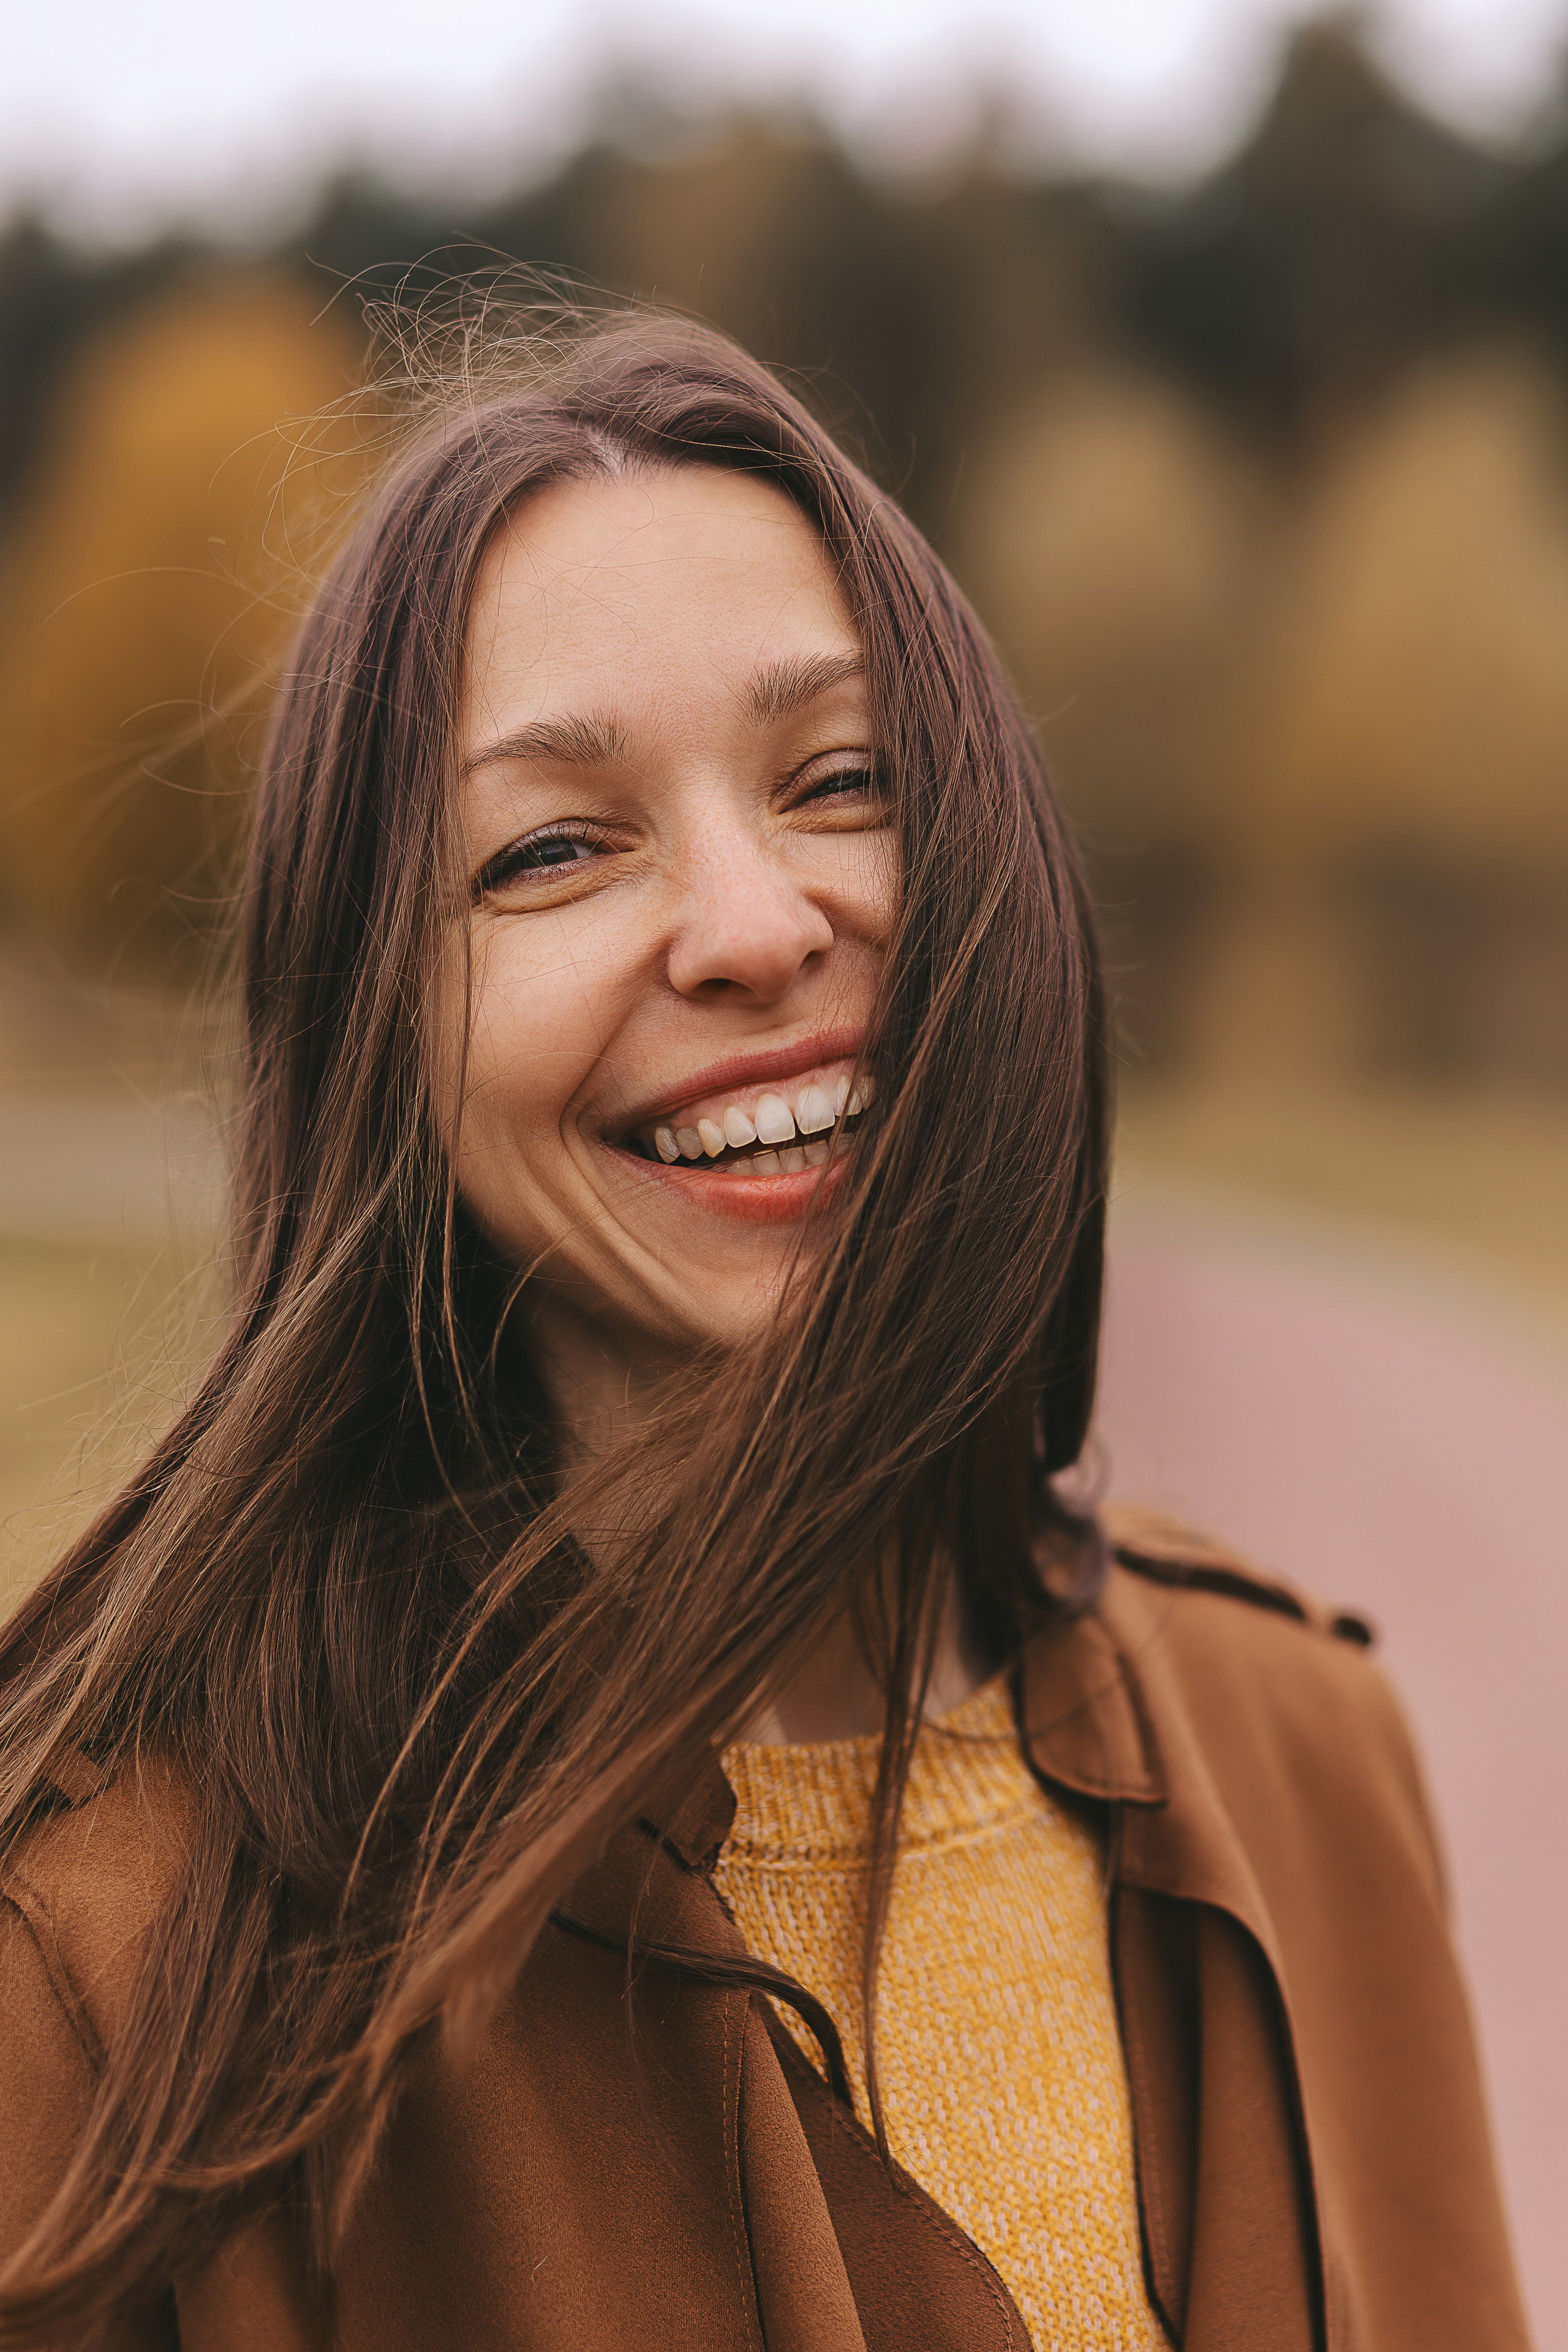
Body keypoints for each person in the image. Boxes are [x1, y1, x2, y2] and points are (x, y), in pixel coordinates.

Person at [0, 306, 1530, 2351]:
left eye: (845, 782)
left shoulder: (1304, 1752)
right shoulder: (106, 1981)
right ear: (381, 1040)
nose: (754, 924)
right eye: (552, 846)